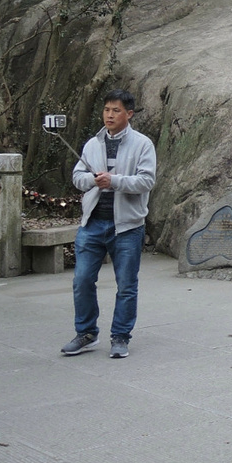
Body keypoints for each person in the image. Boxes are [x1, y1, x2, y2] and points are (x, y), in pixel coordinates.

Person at [62, 90, 157, 359]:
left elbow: (146, 181)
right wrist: (94, 181)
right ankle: (86, 333)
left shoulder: (142, 144)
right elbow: (78, 178)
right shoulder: (93, 144)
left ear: (129, 114)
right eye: (106, 110)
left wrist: (114, 181)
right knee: (81, 280)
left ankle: (120, 337)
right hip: (92, 223)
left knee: (126, 285)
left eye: (116, 110)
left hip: (126, 226)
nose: (110, 115)